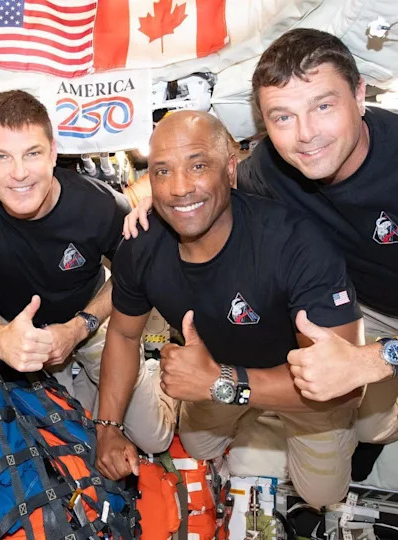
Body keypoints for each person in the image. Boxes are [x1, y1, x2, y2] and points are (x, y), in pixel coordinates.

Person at [124, 29, 398, 490]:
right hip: (367, 311)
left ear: (359, 95)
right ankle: (380, 432)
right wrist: (155, 199)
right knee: (363, 420)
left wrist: (378, 360)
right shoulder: (269, 168)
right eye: (283, 116)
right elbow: (205, 180)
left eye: (323, 106)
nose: (305, 135)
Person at [98, 110, 364, 507]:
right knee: (198, 446)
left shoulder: (297, 244)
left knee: (323, 496)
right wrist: (107, 426)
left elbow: (347, 386)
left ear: (231, 170)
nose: (179, 189)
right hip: (214, 375)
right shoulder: (140, 248)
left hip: (303, 387)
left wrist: (220, 381)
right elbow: (122, 332)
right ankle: (219, 399)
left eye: (198, 166)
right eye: (162, 172)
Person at [0, 90, 175, 454]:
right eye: (2, 157)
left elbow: (131, 277)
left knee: (154, 440)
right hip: (15, 324)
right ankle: (81, 382)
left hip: (87, 316)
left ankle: (148, 370)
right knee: (53, 433)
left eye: (32, 153)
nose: (19, 173)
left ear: (52, 154)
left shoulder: (99, 205)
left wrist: (79, 327)